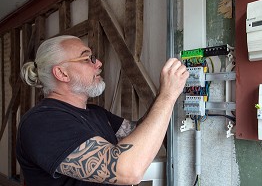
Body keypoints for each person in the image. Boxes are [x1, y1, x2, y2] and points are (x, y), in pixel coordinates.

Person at [16, 35, 189, 186]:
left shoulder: (95, 113)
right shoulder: (42, 123)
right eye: (87, 59)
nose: (98, 63)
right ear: (62, 73)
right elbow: (129, 170)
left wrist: (164, 93)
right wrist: (167, 96)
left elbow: (141, 133)